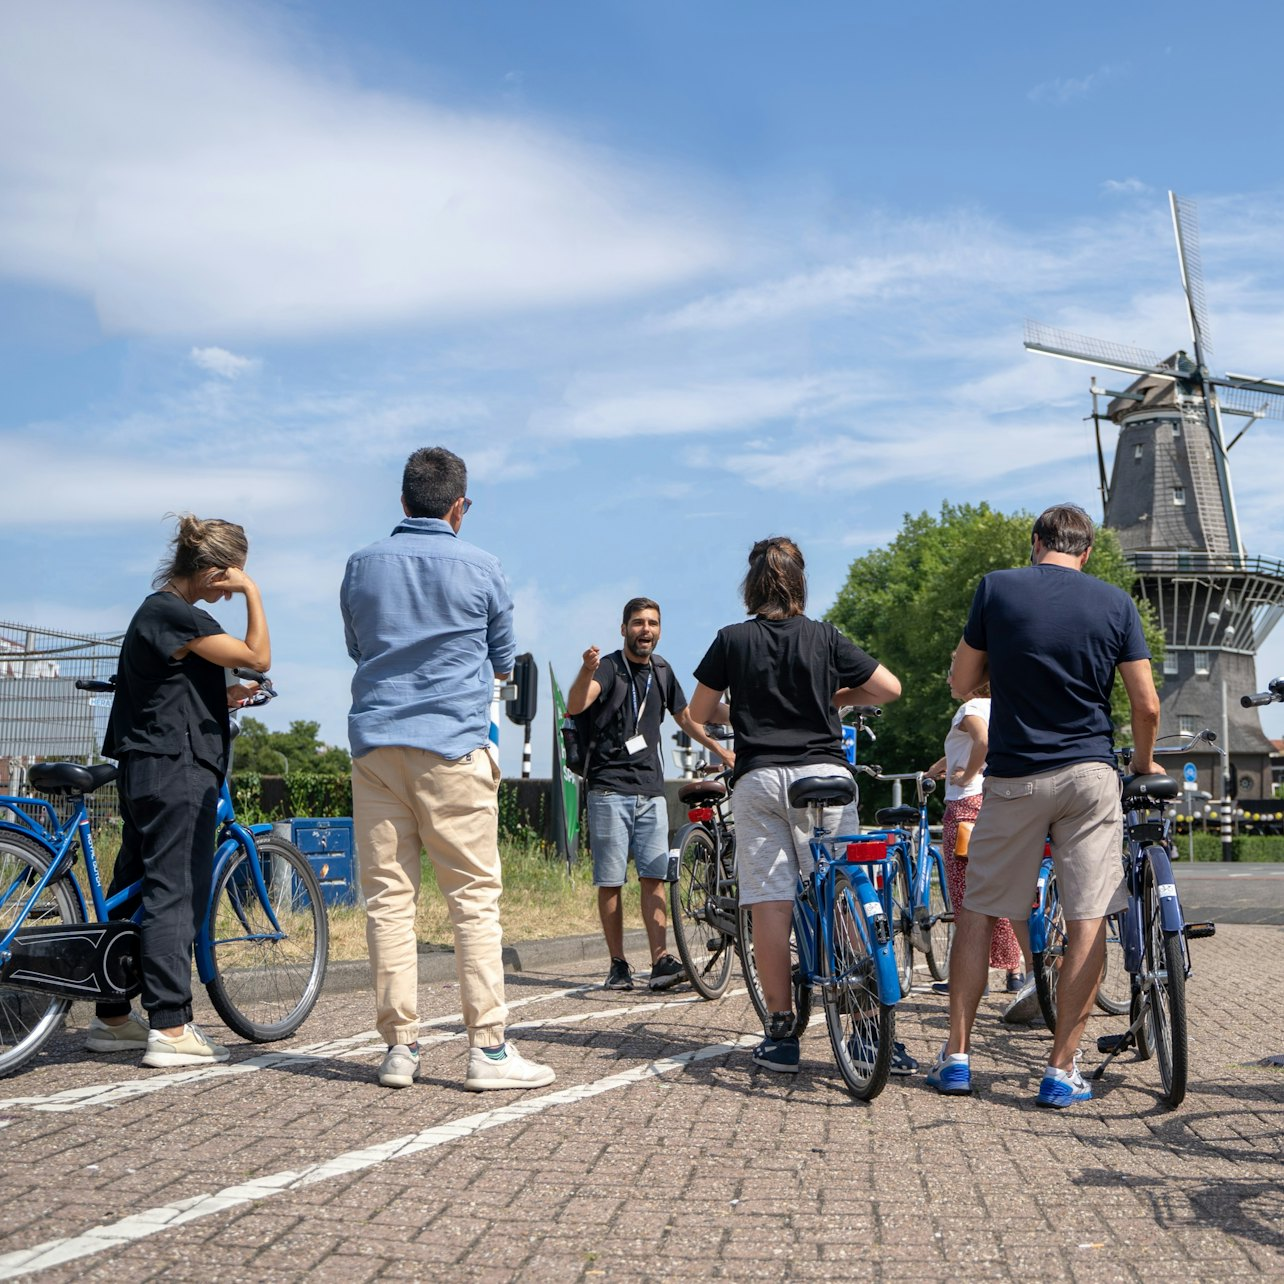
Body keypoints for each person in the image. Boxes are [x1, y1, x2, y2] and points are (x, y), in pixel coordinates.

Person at [927, 503, 1160, 1107]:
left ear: (1036, 544)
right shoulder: (1116, 603)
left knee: (978, 910)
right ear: (1086, 554)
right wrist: (1140, 763)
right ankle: (1060, 1070)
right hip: (1088, 776)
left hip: (1013, 779)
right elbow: (1147, 705)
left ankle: (956, 1058)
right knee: (1086, 917)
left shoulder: (996, 589)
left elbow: (960, 680)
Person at [342, 446, 554, 1093]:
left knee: (388, 902)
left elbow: (357, 645)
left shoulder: (361, 565)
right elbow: (503, 659)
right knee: (472, 901)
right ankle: (487, 1050)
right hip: (453, 748)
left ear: (403, 501)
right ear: (459, 506)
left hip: (376, 748)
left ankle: (399, 1048)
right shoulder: (485, 567)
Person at [686, 537, 905, 1075]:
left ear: (751, 583)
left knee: (771, 903)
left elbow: (699, 711)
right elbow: (890, 689)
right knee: (840, 894)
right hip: (825, 777)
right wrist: (834, 697)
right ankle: (865, 1032)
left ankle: (782, 1033)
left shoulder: (731, 640)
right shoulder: (825, 637)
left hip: (760, 780)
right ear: (800, 581)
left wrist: (750, 707)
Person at [90, 515, 269, 1068]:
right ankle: (170, 1027)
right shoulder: (176, 612)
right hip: (176, 767)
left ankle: (113, 1016)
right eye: (228, 579)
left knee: (136, 883)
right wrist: (253, 594)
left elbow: (178, 684)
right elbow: (258, 656)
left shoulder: (164, 614)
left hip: (148, 762)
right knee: (174, 889)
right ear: (215, 571)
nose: (228, 589)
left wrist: (228, 696)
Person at [567, 598, 734, 991]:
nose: (646, 630)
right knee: (610, 880)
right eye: (639, 623)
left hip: (651, 790)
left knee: (655, 877)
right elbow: (576, 705)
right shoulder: (607, 667)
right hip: (609, 789)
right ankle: (619, 963)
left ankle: (660, 960)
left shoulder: (661, 670)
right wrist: (585, 670)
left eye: (653, 624)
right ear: (623, 628)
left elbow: (686, 717)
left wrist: (723, 748)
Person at [925, 663, 1031, 998]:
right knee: (1003, 888)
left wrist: (966, 776)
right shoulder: (1004, 707)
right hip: (1000, 803)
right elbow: (980, 745)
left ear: (972, 680)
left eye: (953, 672)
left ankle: (974, 978)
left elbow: (981, 741)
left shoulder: (969, 708)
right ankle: (1015, 972)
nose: (948, 678)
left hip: (966, 808)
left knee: (965, 894)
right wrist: (941, 766)